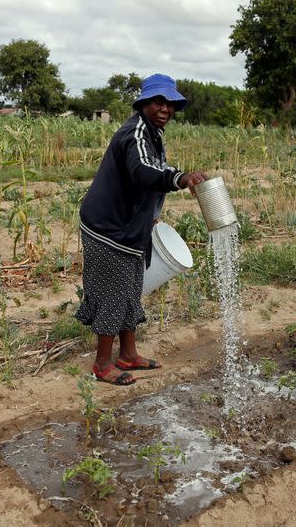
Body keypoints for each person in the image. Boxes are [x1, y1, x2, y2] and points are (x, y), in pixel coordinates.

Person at [75, 73, 208, 385]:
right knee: (112, 293)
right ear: (144, 103)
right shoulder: (135, 132)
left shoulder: (152, 133)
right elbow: (144, 171)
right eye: (158, 101)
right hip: (108, 227)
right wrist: (180, 178)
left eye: (170, 103)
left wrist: (151, 216)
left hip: (130, 226)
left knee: (131, 288)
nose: (165, 108)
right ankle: (102, 364)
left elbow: (148, 177)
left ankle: (128, 355)